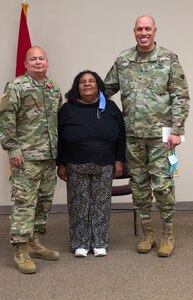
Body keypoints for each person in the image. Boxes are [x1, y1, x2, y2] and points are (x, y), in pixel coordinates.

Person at [104, 15, 190, 257]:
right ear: (134, 32)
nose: (143, 32)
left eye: (147, 29)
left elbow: (180, 96)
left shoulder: (169, 59)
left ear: (155, 31)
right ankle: (147, 233)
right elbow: (107, 88)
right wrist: (80, 98)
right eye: (139, 29)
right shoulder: (123, 59)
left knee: (162, 185)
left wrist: (177, 131)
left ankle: (167, 233)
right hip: (133, 135)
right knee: (139, 185)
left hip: (162, 136)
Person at [0, 46, 63, 273]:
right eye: (33, 59)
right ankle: (20, 249)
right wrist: (13, 150)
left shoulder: (53, 88)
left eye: (41, 58)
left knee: (43, 203)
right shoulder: (16, 86)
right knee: (24, 204)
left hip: (48, 157)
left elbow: (58, 122)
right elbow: (6, 119)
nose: (38, 62)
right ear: (26, 64)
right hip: (25, 158)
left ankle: (35, 242)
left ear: (47, 62)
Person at [57, 70, 126, 257]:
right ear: (76, 87)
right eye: (82, 82)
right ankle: (80, 243)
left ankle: (99, 242)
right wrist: (60, 163)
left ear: (98, 85)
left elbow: (121, 135)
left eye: (91, 81)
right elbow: (59, 139)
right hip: (75, 164)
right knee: (78, 204)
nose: (87, 84)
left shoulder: (110, 107)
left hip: (105, 164)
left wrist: (119, 160)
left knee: (101, 204)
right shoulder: (67, 109)